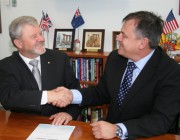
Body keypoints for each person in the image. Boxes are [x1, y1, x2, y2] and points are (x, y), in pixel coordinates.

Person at [52, 11, 180, 139]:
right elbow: (101, 92)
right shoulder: (115, 58)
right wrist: (71, 95)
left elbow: (160, 120)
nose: (118, 37)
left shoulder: (171, 72)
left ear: (142, 43)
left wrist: (118, 130)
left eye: (123, 36)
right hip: (110, 135)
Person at [0, 16, 81, 125]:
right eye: (34, 36)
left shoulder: (60, 59)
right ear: (19, 43)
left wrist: (70, 113)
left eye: (40, 34)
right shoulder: (6, 66)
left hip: (57, 124)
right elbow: (9, 99)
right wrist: (48, 96)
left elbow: (76, 92)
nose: (42, 39)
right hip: (22, 125)